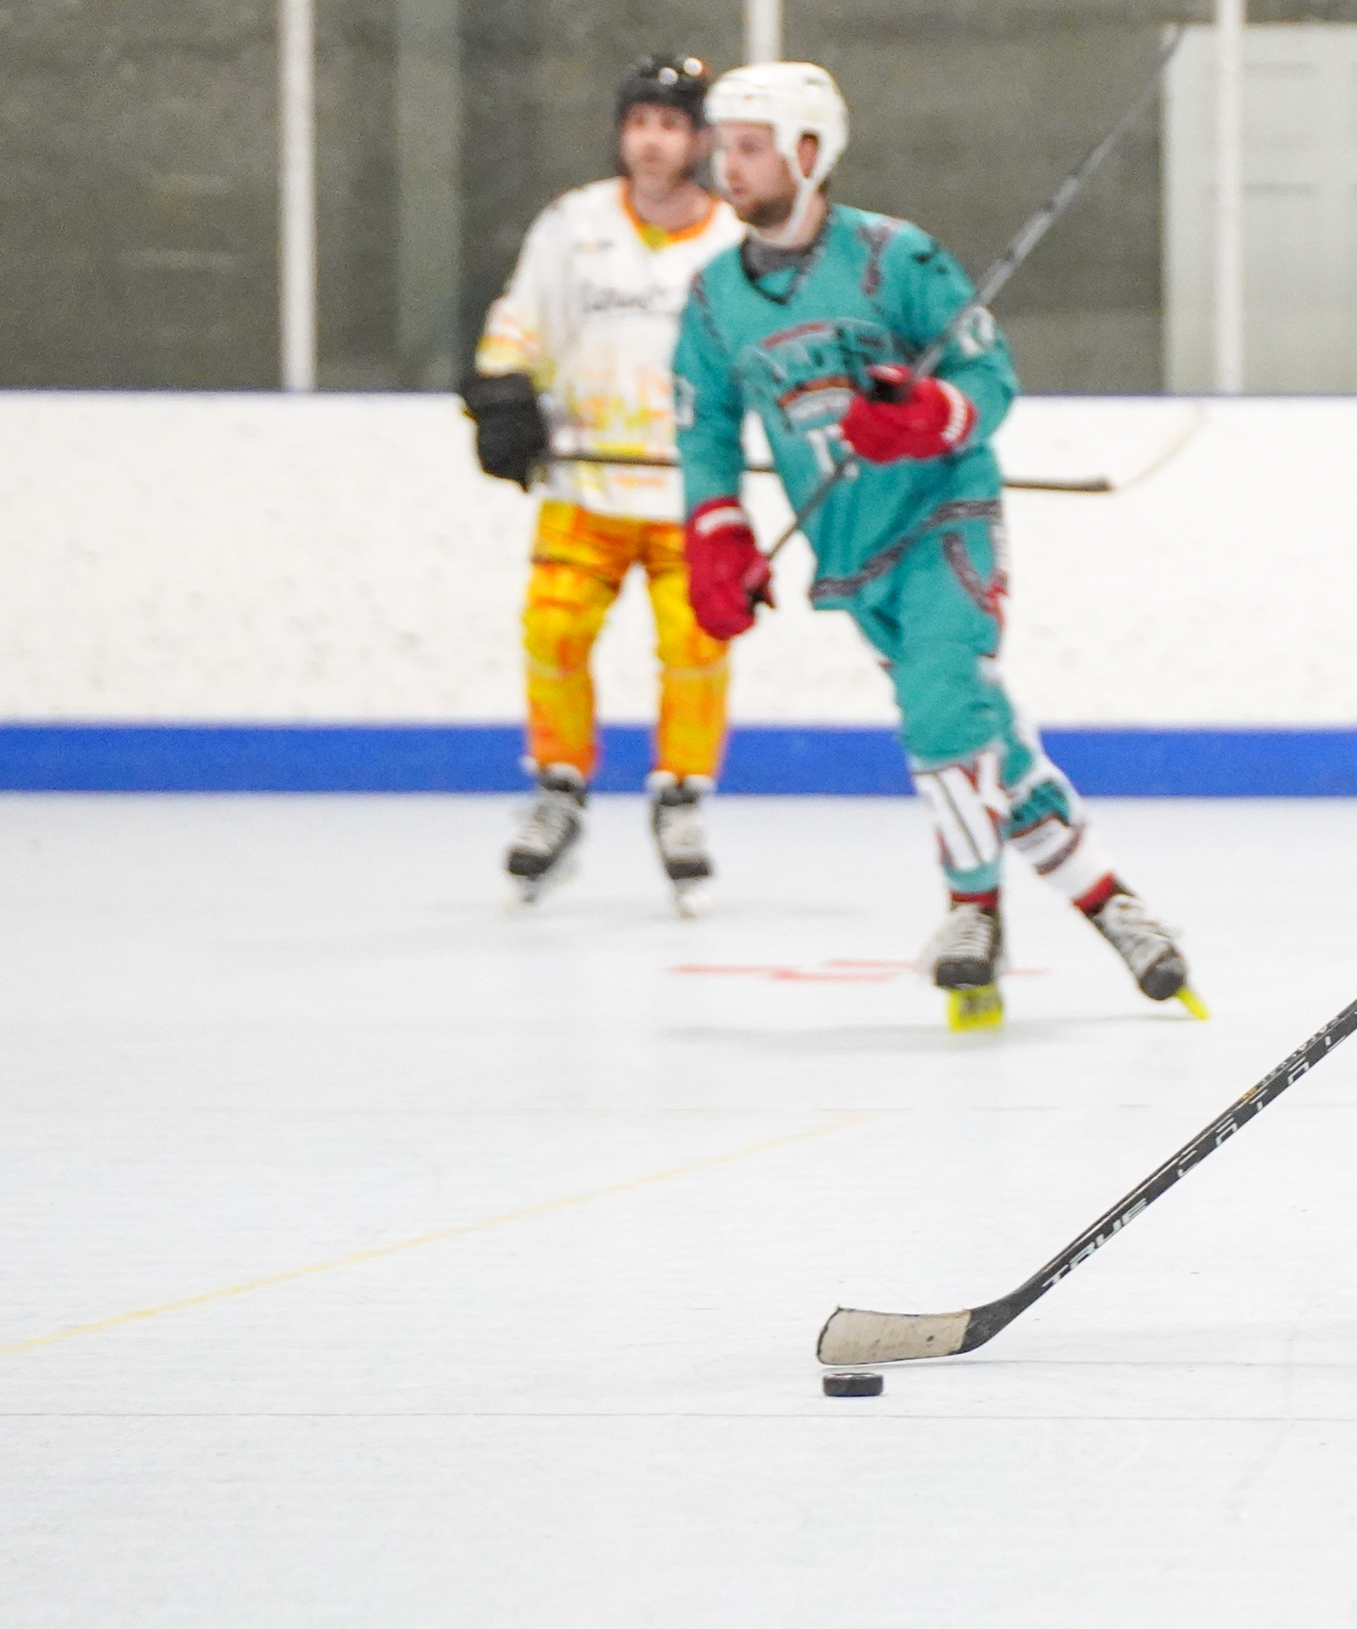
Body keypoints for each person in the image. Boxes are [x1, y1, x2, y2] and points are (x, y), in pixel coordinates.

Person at [669, 59, 1197, 1030]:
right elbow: (702, 433)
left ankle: (971, 910)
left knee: (940, 696)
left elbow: (988, 380)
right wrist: (718, 535)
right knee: (980, 733)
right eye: (721, 146)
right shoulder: (711, 303)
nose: (724, 166)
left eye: (748, 148)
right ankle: (1115, 906)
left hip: (945, 522)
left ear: (808, 153)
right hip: (844, 550)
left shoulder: (893, 260)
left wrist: (923, 417)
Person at [461, 55, 747, 909]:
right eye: (638, 122)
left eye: (669, 124)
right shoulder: (573, 223)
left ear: (699, 140)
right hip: (584, 481)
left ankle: (681, 798)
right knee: (553, 629)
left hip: (691, 490)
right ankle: (557, 789)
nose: (650, 140)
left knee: (696, 643)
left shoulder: (736, 241)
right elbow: (520, 318)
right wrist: (504, 391)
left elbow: (766, 355)